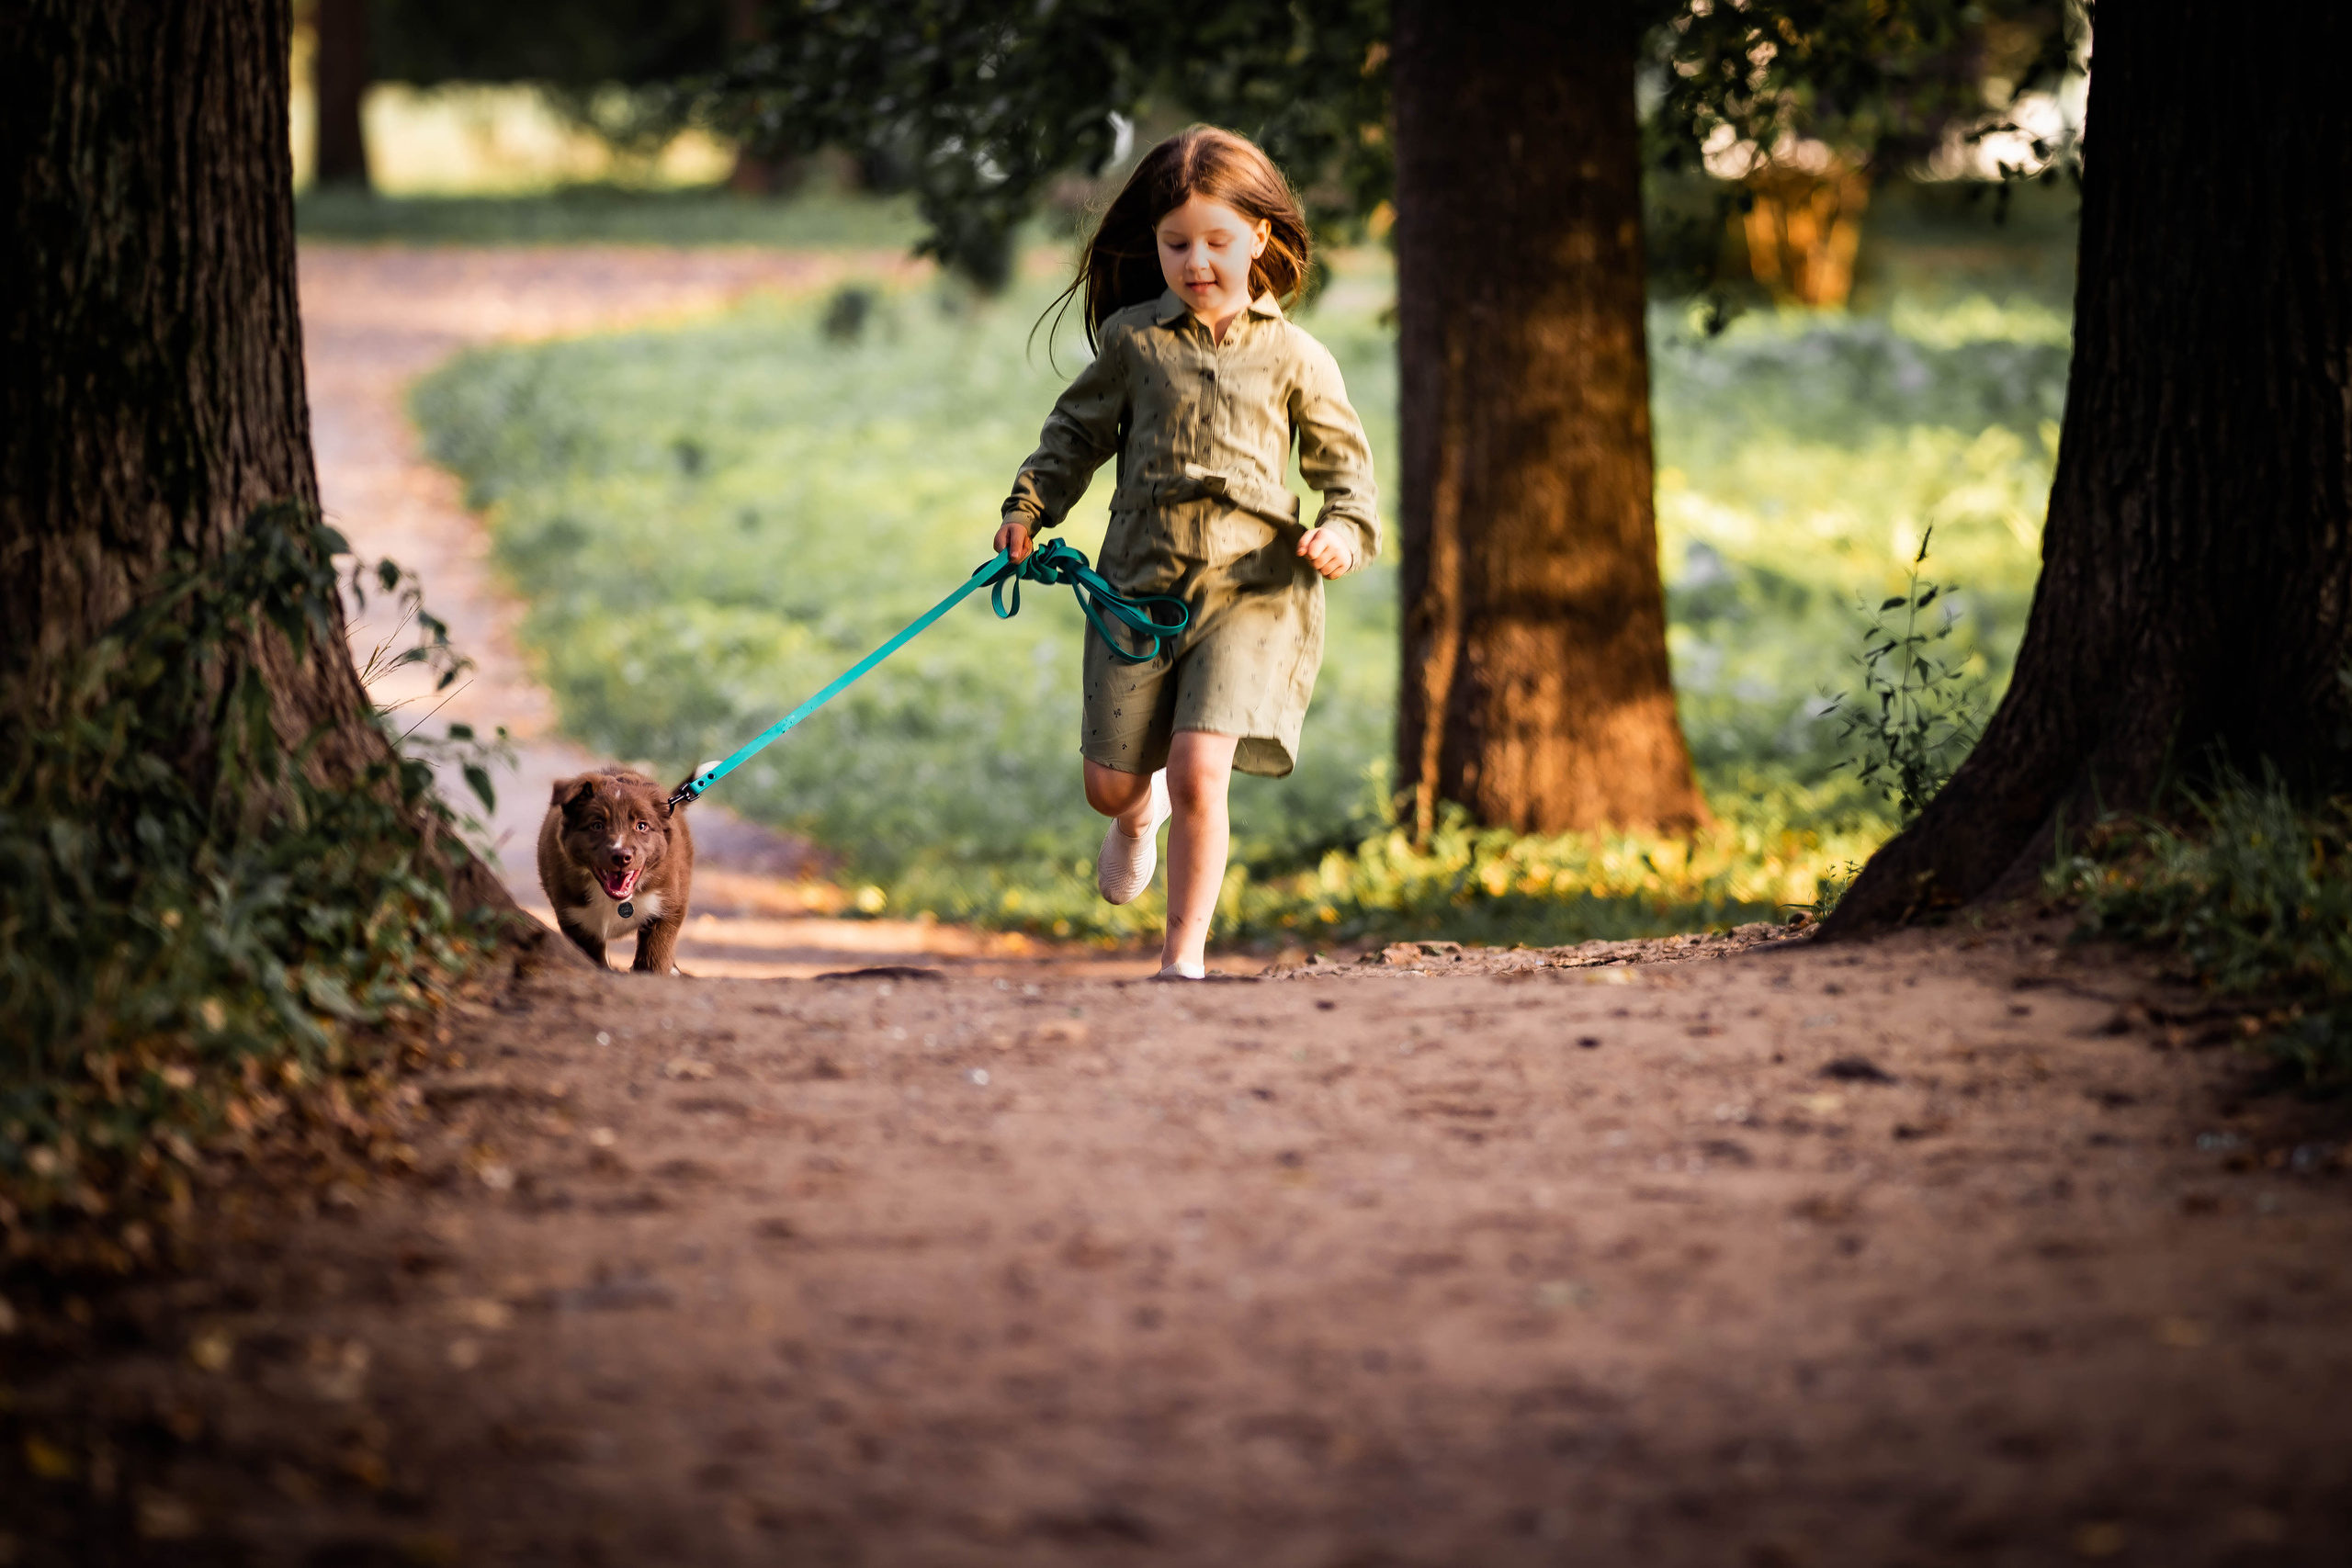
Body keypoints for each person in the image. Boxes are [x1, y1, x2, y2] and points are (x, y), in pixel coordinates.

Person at [995, 126, 1379, 980]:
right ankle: (1138, 816)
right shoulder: (1134, 343)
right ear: (1156, 245)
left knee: (1204, 768)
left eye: (1217, 241)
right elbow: (1071, 437)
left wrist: (1342, 533)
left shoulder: (1297, 358)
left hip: (1253, 589)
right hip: (1139, 579)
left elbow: (1346, 474)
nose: (1196, 261)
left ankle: (1183, 960)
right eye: (1177, 244)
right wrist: (1028, 509)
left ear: (1260, 239)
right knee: (1112, 784)